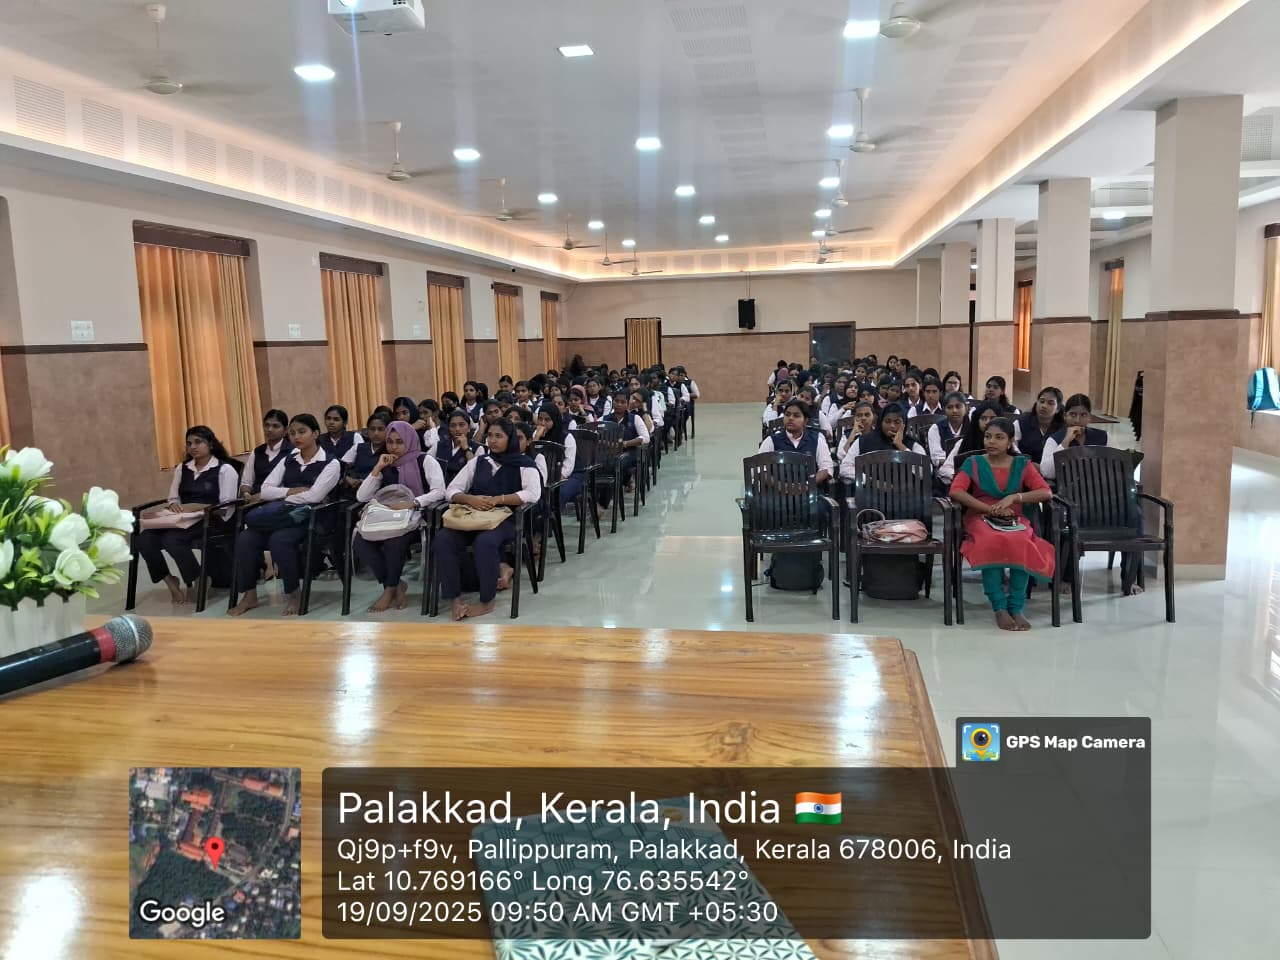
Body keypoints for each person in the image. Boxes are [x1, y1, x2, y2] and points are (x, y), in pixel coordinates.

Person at [229, 414, 341, 617]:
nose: (296, 437)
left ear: (315, 433)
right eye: (292, 433)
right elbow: (265, 490)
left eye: (302, 432)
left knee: (279, 541)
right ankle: (249, 595)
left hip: (311, 518)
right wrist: (290, 491)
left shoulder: (330, 463)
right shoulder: (289, 459)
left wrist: (283, 495)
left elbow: (315, 497)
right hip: (281, 515)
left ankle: (294, 594)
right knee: (245, 539)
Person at [948, 417, 1055, 631]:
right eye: (988, 436)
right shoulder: (974, 463)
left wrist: (1015, 497)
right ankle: (999, 606)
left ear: (1010, 442)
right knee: (991, 540)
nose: (991, 442)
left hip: (1014, 518)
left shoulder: (1021, 464)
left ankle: (1016, 607)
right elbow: (956, 491)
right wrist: (989, 509)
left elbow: (1046, 492)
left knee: (1022, 541)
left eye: (999, 437)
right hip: (980, 516)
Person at [433, 420, 541, 620]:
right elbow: (452, 490)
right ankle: (455, 599)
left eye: (499, 436)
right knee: (443, 539)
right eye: (490, 435)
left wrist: (498, 499)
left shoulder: (524, 465)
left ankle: (487, 601)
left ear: (510, 439)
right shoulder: (478, 462)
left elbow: (533, 494)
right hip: (473, 516)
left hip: (506, 519)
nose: (492, 440)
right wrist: (469, 499)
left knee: (485, 542)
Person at [136, 426, 240, 604]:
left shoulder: (225, 469)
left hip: (212, 520)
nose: (193, 447)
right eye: (189, 443)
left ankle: (199, 577)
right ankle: (170, 581)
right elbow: (173, 498)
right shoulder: (182, 468)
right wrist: (174, 505)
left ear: (211, 444)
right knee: (144, 539)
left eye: (198, 442)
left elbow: (226, 506)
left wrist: (196, 507)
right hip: (182, 520)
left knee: (172, 539)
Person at [352, 421, 447, 613]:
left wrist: (414, 502)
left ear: (410, 441)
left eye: (399, 442)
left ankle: (389, 590)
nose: (394, 447)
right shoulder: (386, 463)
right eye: (390, 441)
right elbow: (361, 496)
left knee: (394, 542)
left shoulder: (425, 461)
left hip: (416, 518)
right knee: (360, 542)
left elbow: (439, 491)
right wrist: (378, 468)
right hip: (387, 517)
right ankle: (396, 584)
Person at [838, 402, 926, 480]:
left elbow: (926, 471)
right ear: (881, 422)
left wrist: (901, 446)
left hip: (906, 492)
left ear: (904, 424)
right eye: (887, 421)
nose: (892, 426)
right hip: (871, 491)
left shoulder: (912, 444)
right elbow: (845, 467)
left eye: (897, 422)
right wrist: (869, 480)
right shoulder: (863, 441)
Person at [758, 399, 833, 486]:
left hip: (809, 490)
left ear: (805, 420)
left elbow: (826, 468)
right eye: (787, 414)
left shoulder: (817, 440)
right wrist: (781, 486)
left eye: (796, 416)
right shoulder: (771, 440)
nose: (790, 418)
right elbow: (759, 469)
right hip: (778, 491)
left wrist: (806, 486)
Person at [1039, 393, 1109, 481]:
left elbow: (1117, 466)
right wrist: (1065, 442)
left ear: (1089, 417)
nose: (1077, 420)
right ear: (1065, 416)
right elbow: (1047, 473)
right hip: (1066, 488)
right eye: (1073, 414)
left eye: (1083, 415)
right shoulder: (1054, 440)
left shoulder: (1103, 437)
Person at [937, 400, 1005, 486]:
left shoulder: (1006, 444)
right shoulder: (964, 442)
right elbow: (945, 469)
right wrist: (964, 477)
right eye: (983, 418)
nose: (987, 422)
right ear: (977, 421)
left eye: (993, 418)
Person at [239, 409, 291, 498]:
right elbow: (246, 482)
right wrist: (246, 493)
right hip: (254, 500)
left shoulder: (293, 452)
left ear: (285, 430)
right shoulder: (257, 452)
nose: (270, 429)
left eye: (275, 426)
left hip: (280, 500)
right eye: (267, 425)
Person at [1013, 387, 1065, 467]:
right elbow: (1012, 447)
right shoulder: (1021, 423)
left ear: (1058, 409)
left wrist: (1044, 468)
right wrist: (1027, 464)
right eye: (1041, 401)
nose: (1044, 406)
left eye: (1050, 403)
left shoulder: (1063, 428)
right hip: (1024, 468)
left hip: (1053, 471)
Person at [343, 412, 389, 493]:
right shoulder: (358, 447)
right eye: (372, 429)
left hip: (377, 494)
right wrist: (347, 478)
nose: (376, 433)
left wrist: (364, 483)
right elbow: (341, 467)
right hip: (352, 492)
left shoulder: (390, 451)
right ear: (367, 430)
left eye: (380, 429)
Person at [927, 391, 970, 469]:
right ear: (944, 410)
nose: (954, 410)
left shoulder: (972, 427)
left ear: (966, 408)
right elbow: (937, 458)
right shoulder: (935, 429)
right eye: (949, 407)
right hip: (945, 469)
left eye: (958, 406)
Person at [438, 409, 480, 483]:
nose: (457, 429)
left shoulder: (478, 448)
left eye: (461, 425)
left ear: (469, 428)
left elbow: (476, 471)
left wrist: (466, 449)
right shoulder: (439, 445)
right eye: (453, 426)